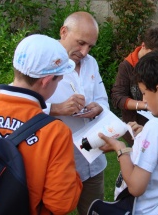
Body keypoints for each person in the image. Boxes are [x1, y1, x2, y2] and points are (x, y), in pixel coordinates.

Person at [0, 34, 83, 215]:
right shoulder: (55, 132)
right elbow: (61, 203)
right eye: (59, 79)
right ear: (46, 80)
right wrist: (73, 176)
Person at [98, 48, 158, 214]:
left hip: (140, 209)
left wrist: (120, 148)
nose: (143, 100)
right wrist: (143, 136)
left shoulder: (156, 129)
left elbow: (136, 187)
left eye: (144, 93)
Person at [44, 11, 109, 215]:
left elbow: (102, 99)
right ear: (63, 32)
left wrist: (98, 108)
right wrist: (57, 109)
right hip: (58, 164)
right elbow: (23, 105)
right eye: (81, 43)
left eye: (90, 46)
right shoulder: (43, 60)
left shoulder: (91, 62)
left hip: (93, 160)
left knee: (93, 210)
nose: (84, 51)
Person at [111, 27, 158, 147]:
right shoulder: (127, 66)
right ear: (143, 46)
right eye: (152, 55)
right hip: (134, 129)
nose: (154, 60)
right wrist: (143, 105)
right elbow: (117, 98)